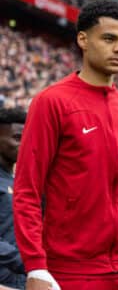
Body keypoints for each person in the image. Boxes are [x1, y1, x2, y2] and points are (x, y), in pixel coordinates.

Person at [13, 0, 118, 290]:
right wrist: (36, 266)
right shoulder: (52, 102)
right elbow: (27, 190)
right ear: (83, 40)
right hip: (72, 269)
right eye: (109, 39)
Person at [0, 108, 26, 289]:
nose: (24, 144)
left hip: (23, 279)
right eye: (17, 138)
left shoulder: (19, 180)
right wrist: (24, 261)